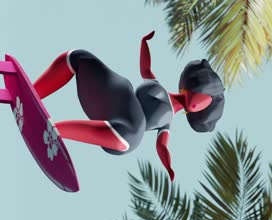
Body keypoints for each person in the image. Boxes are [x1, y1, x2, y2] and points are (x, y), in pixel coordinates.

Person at [32, 31, 225, 181]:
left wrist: (168, 166)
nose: (199, 103)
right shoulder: (156, 84)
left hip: (122, 132)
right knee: (79, 57)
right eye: (203, 97)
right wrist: (144, 42)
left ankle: (54, 131)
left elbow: (162, 147)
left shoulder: (166, 123)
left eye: (203, 106)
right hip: (111, 100)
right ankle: (33, 93)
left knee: (135, 132)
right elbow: (146, 68)